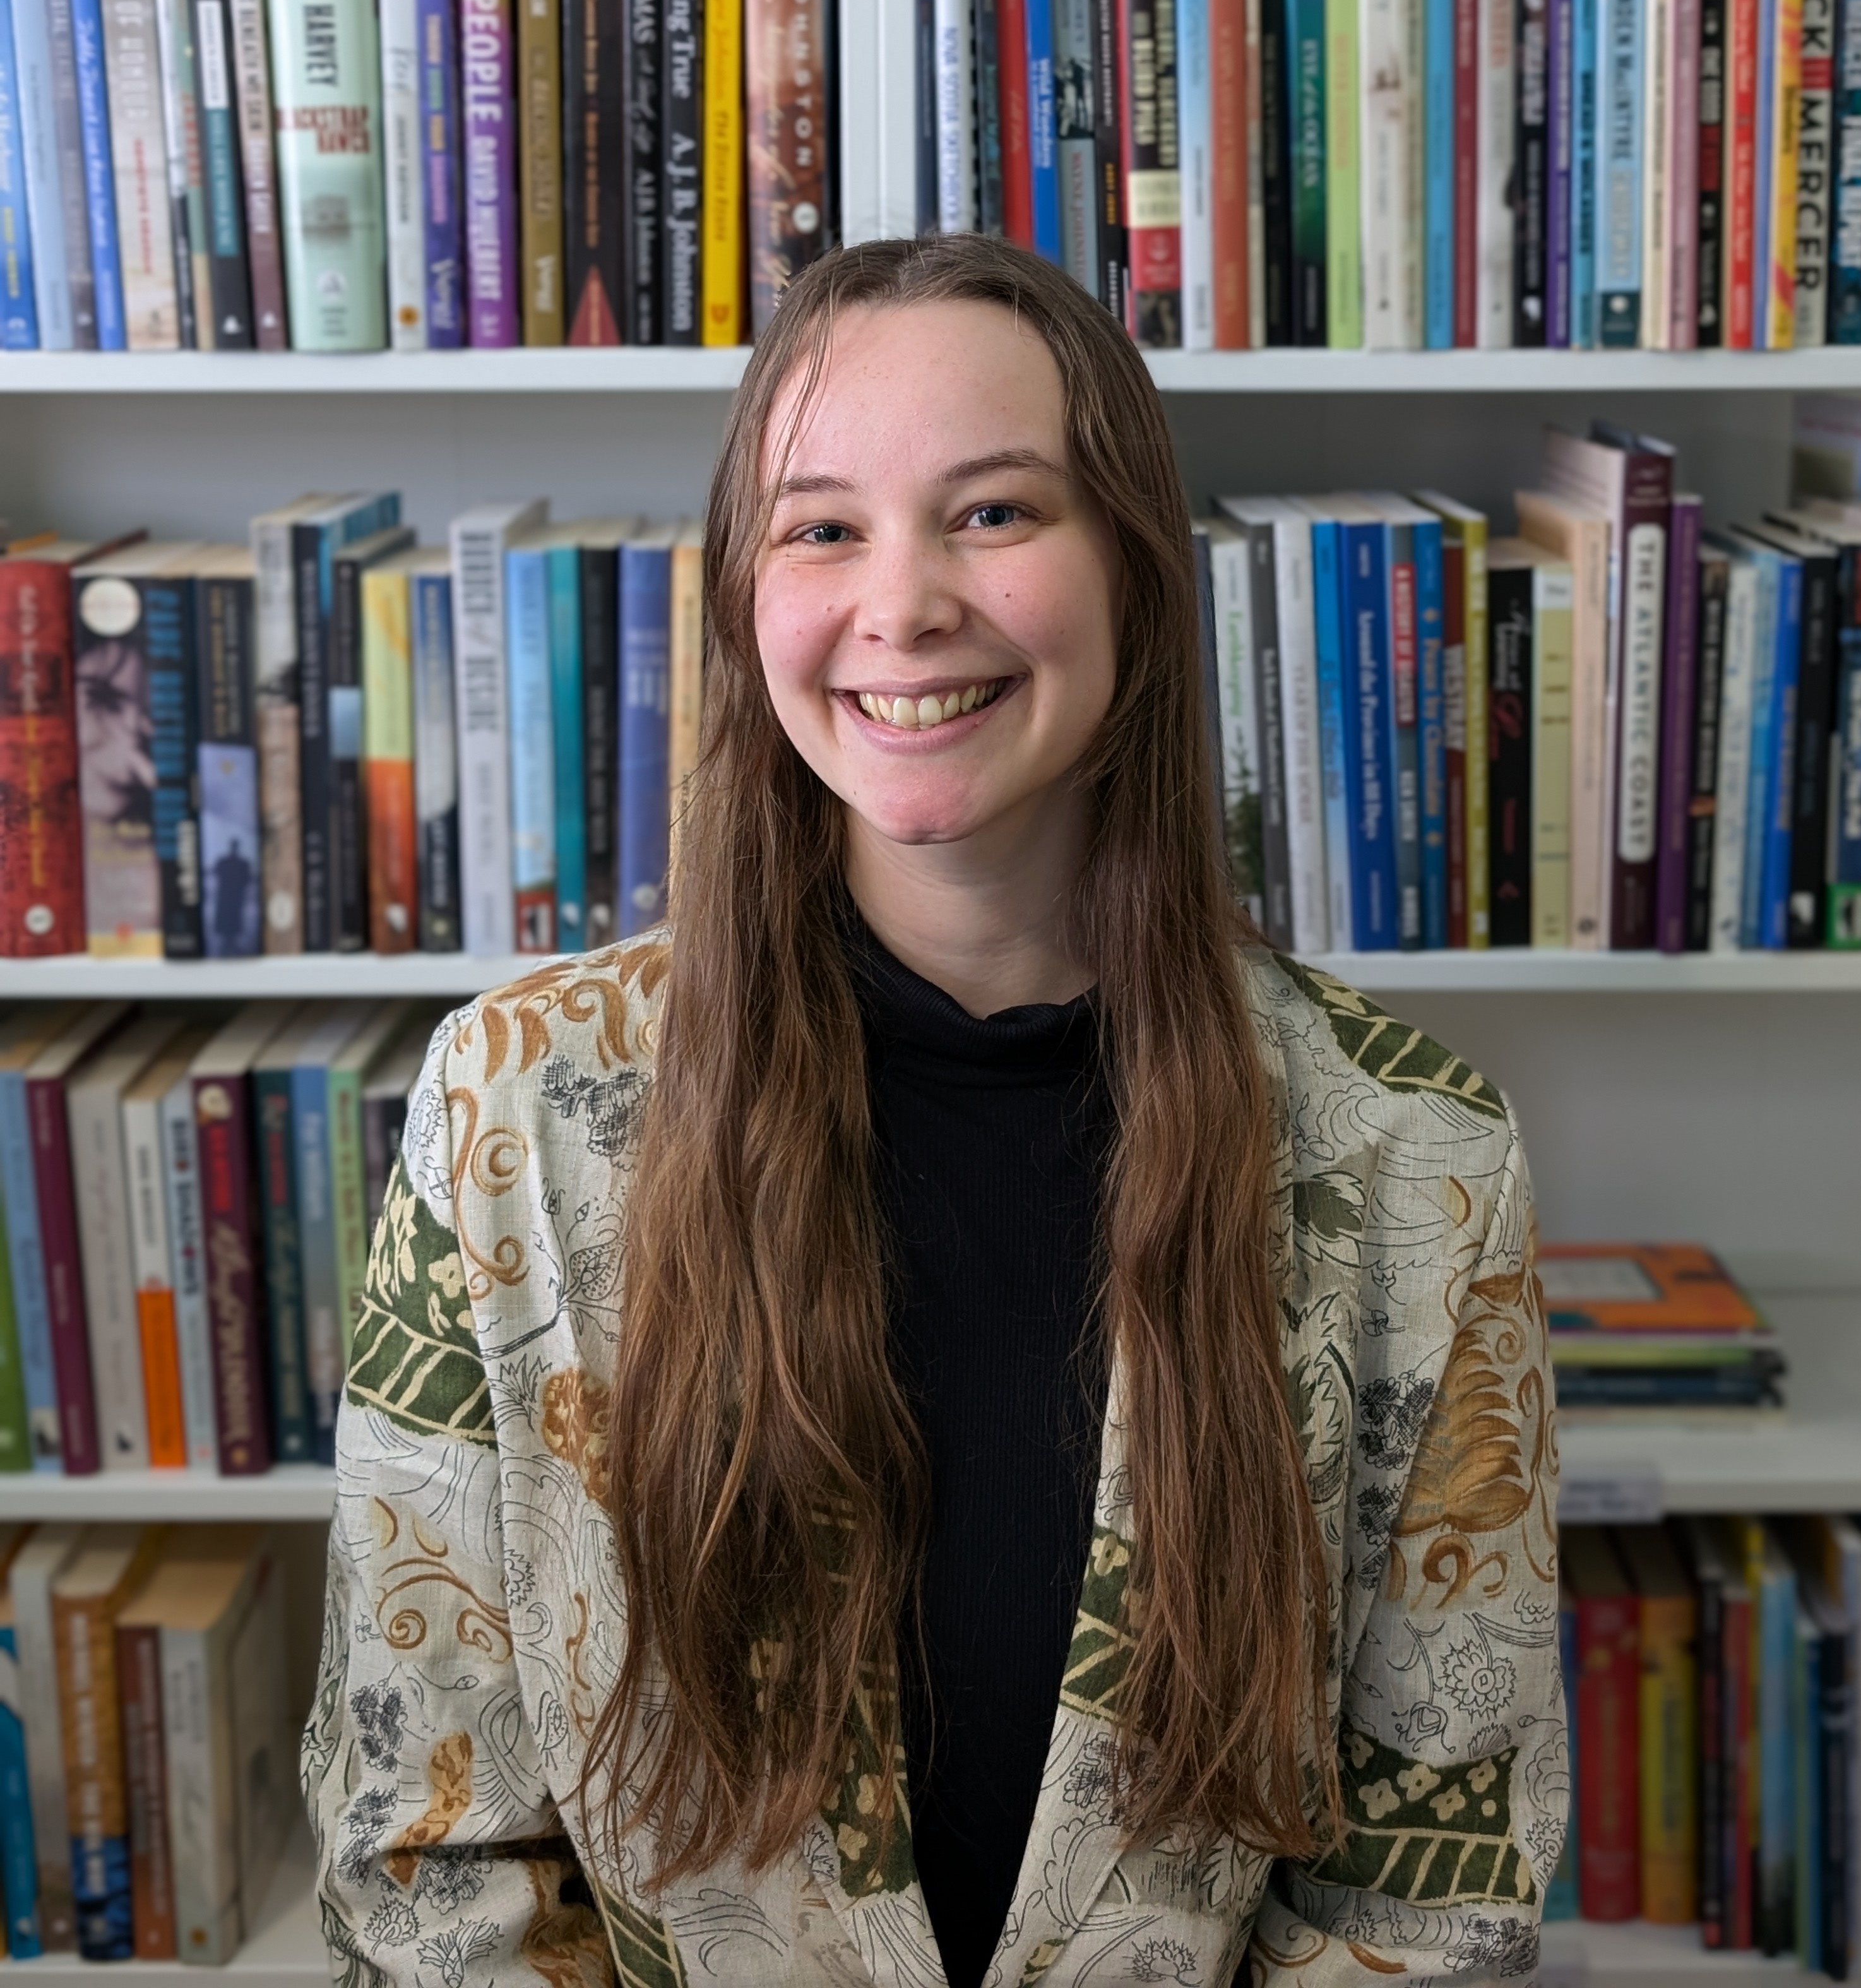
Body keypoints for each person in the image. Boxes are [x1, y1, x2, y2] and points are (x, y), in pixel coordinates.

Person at [307, 237, 1564, 1988]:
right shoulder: (508, 1110)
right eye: (823, 527)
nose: (900, 605)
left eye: (993, 512)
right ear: (751, 593)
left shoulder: (1420, 1157)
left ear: (1132, 571)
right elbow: (429, 1867)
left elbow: (1428, 1902)